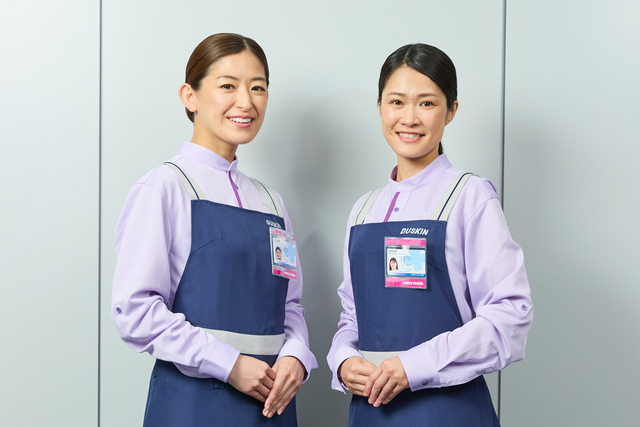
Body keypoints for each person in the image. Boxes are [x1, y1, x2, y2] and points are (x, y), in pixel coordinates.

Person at [112, 33, 317, 426]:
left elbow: (289, 305)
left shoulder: (271, 202)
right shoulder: (165, 187)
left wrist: (296, 355)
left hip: (272, 405)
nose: (246, 102)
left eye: (258, 88)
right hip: (193, 407)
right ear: (189, 96)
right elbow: (134, 310)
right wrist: (229, 364)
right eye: (227, 86)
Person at [326, 43, 533, 426]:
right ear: (380, 106)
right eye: (396, 102)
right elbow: (352, 316)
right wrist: (343, 360)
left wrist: (414, 366)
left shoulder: (469, 197)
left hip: (447, 411)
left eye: (426, 103)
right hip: (370, 411)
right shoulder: (364, 209)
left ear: (451, 110)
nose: (409, 118)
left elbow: (509, 316)